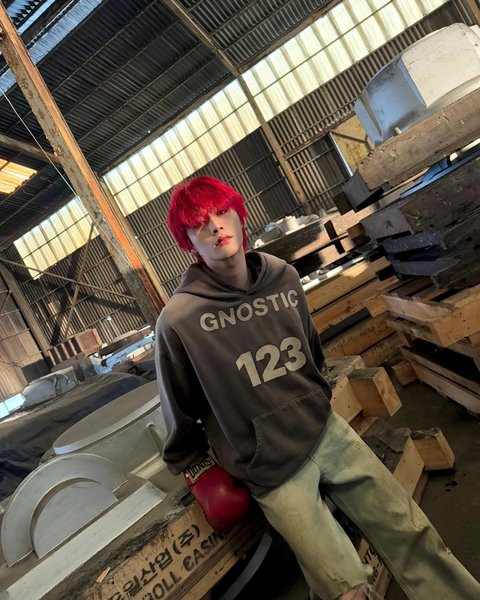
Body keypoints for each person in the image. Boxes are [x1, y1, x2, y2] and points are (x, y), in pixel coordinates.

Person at [155, 176, 480, 600]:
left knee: (412, 534)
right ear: (187, 242)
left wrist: (314, 400)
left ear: (239, 215)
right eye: (200, 223)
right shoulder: (179, 321)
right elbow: (180, 409)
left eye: (221, 212)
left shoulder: (283, 278)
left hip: (324, 431)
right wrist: (199, 468)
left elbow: (312, 354)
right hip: (270, 467)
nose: (215, 226)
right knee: (344, 588)